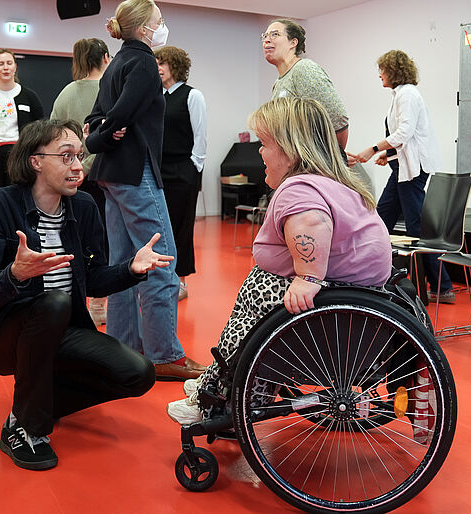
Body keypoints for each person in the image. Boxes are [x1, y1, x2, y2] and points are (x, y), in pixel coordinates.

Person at [167, 97, 392, 425]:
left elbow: (312, 223)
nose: (259, 151)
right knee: (257, 293)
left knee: (255, 308)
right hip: (359, 307)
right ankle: (217, 379)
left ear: (290, 150)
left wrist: (308, 277)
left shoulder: (298, 190)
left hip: (331, 309)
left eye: (265, 144)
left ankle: (223, 397)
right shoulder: (335, 183)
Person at [0, 119, 163, 470]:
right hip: (1, 335)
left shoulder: (83, 208)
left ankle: (31, 405)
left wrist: (130, 269)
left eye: (80, 156)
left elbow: (94, 280)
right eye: (66, 156)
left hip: (62, 327)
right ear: (36, 161)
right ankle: (26, 429)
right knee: (54, 303)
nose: (78, 166)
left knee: (139, 373)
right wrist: (13, 275)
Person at [85, 0, 205, 380]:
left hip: (112, 174)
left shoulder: (117, 63)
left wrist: (101, 133)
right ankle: (163, 354)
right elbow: (118, 115)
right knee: (160, 261)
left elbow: (96, 120)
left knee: (124, 263)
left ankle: (123, 347)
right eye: (159, 21)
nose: (162, 26)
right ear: (145, 29)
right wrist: (107, 131)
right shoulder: (143, 64)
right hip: (136, 173)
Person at [349, 50, 454, 303]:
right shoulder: (400, 95)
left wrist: (373, 149)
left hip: (413, 170)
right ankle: (373, 277)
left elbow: (404, 132)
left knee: (416, 228)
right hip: (403, 167)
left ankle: (442, 286)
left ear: (393, 71)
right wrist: (390, 156)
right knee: (381, 218)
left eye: (382, 70)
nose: (380, 75)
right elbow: (404, 137)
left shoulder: (407, 94)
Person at [51, 38, 112, 325]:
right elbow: (113, 137)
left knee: (74, 237)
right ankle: (99, 303)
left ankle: (75, 299)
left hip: (71, 179)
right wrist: (87, 164)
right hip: (104, 176)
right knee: (103, 239)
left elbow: (53, 136)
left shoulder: (65, 93)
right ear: (105, 58)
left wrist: (72, 166)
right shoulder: (111, 91)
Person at [153, 45, 207, 301]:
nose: (158, 68)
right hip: (158, 169)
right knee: (159, 227)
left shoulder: (192, 95)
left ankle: (181, 280)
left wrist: (194, 167)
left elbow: (200, 136)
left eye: (162, 63)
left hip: (183, 169)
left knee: (181, 227)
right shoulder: (155, 97)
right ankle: (161, 277)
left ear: (175, 66)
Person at [262, 18, 349, 150]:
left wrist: (331, 159)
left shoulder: (303, 69)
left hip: (311, 166)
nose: (267, 40)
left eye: (275, 34)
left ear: (293, 42)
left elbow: (337, 119)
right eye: (265, 36)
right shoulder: (278, 83)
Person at [0, 49, 44, 196]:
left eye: (9, 63)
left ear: (15, 67)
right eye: (1, 64)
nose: (5, 67)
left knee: (18, 198)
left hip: (18, 155)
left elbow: (40, 127)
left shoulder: (29, 96)